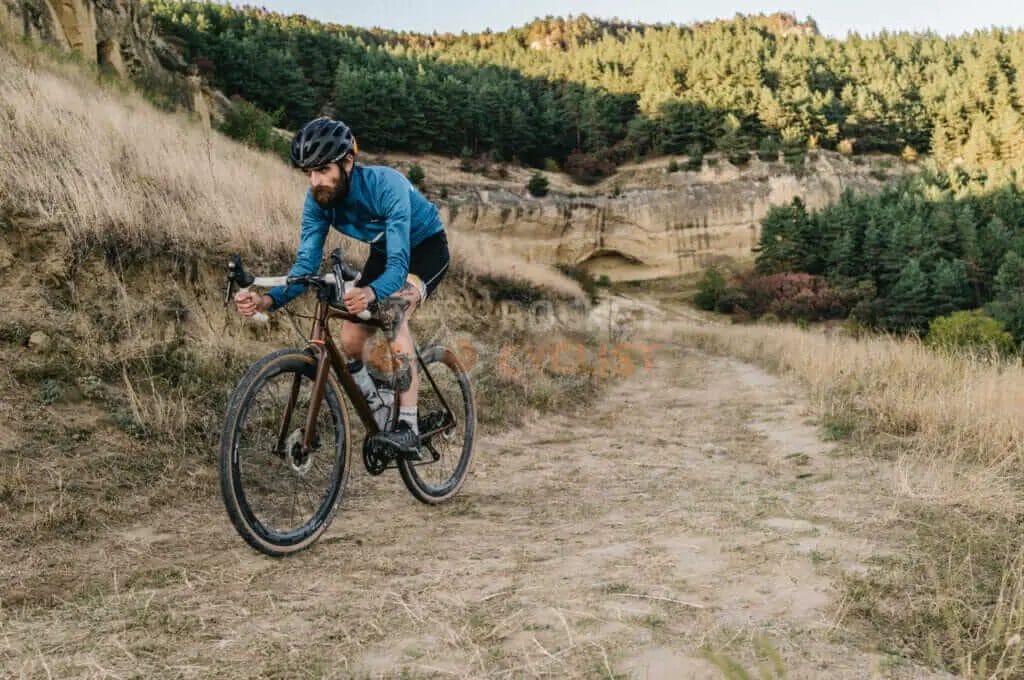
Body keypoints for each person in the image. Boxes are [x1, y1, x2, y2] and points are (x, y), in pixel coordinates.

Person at [234, 117, 449, 460]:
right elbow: (304, 269)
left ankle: (409, 426)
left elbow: (398, 267)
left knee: (391, 311)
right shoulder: (318, 201)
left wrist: (371, 293)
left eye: (322, 170)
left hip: (424, 248)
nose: (315, 181)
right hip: (384, 251)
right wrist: (265, 301)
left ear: (348, 161)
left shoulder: (385, 186)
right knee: (350, 339)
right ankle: (380, 413)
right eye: (309, 172)